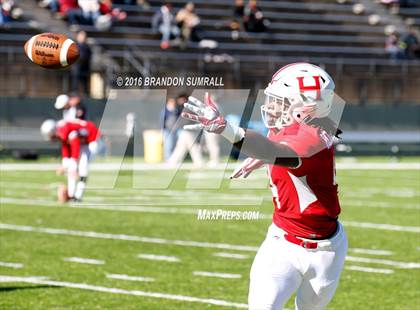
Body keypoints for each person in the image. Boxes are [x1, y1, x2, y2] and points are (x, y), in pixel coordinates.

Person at [181, 63, 347, 310]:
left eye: (280, 101)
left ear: (306, 106)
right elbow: (275, 147)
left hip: (325, 250)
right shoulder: (300, 126)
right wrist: (263, 157)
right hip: (282, 241)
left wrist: (226, 129)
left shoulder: (312, 135)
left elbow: (279, 150)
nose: (271, 106)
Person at [40, 118, 102, 202]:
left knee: (83, 168)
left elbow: (75, 147)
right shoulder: (62, 130)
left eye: (50, 135)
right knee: (71, 168)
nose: (51, 138)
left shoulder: (66, 130)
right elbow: (66, 147)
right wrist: (64, 165)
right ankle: (71, 195)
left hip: (93, 139)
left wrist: (73, 166)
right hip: (83, 141)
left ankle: (77, 197)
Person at [167, 94, 203, 168]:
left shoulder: (189, 107)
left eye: (181, 99)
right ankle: (172, 162)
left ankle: (199, 162)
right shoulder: (185, 107)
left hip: (188, 130)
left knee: (192, 147)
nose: (179, 101)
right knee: (181, 147)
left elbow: (187, 120)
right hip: (186, 130)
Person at [71, 31, 92, 95]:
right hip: (77, 67)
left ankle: (86, 93)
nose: (83, 38)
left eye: (84, 36)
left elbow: (89, 56)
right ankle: (74, 93)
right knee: (75, 81)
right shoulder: (74, 46)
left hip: (85, 67)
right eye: (81, 36)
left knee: (85, 82)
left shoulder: (87, 47)